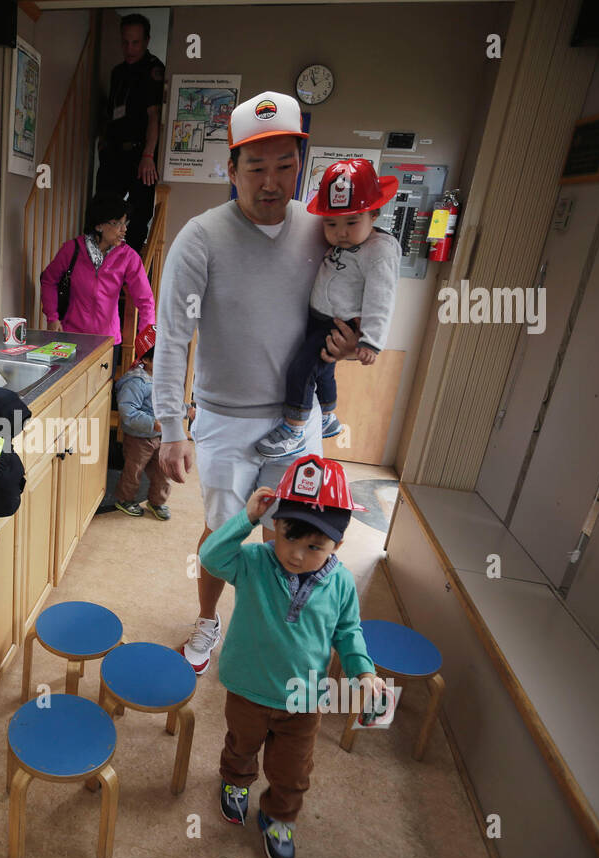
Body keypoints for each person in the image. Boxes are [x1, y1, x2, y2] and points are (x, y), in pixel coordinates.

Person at [153, 90, 364, 675]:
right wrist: (172, 428)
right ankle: (207, 620)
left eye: (284, 166)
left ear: (302, 163)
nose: (271, 182)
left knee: (290, 534)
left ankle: (271, 628)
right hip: (224, 418)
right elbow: (173, 338)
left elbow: (345, 305)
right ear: (231, 169)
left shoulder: (322, 230)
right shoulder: (200, 238)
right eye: (255, 167)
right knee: (223, 535)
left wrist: (351, 344)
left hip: (297, 422)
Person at [198, 454, 385, 858]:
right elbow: (211, 557)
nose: (297, 555)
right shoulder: (254, 562)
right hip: (247, 688)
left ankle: (280, 818)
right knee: (241, 746)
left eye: (314, 546)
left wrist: (365, 672)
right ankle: (235, 783)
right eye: (287, 537)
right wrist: (244, 520)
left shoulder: (341, 582)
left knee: (293, 771)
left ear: (338, 543)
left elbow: (348, 632)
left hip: (304, 700)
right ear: (275, 526)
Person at [255, 158, 402, 457]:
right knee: (323, 372)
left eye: (351, 222)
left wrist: (371, 341)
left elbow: (381, 297)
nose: (341, 232)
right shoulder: (344, 244)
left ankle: (294, 428)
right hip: (318, 318)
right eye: (331, 224)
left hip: (338, 323)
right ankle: (327, 417)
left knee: (303, 370)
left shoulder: (379, 251)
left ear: (373, 214)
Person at [40, 193, 155, 357]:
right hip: (70, 337)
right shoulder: (72, 249)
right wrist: (52, 318)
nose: (124, 229)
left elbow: (146, 301)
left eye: (125, 223)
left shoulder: (129, 257)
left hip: (108, 342)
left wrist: (147, 342)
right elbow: (48, 280)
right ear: (99, 225)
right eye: (117, 223)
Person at [95, 13, 164, 258]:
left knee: (138, 213)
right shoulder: (118, 72)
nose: (130, 48)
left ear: (146, 40)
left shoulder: (153, 70)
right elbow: (111, 112)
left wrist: (148, 154)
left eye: (135, 43)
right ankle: (98, 261)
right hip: (114, 151)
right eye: (125, 42)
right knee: (102, 207)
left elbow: (154, 116)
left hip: (139, 153)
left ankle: (126, 265)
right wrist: (103, 143)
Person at [112, 325, 194, 519]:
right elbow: (128, 413)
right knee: (134, 471)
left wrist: (186, 410)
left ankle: (157, 502)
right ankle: (125, 499)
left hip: (160, 438)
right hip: (139, 439)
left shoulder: (163, 380)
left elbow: (169, 405)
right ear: (147, 360)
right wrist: (153, 423)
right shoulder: (135, 383)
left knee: (163, 471)